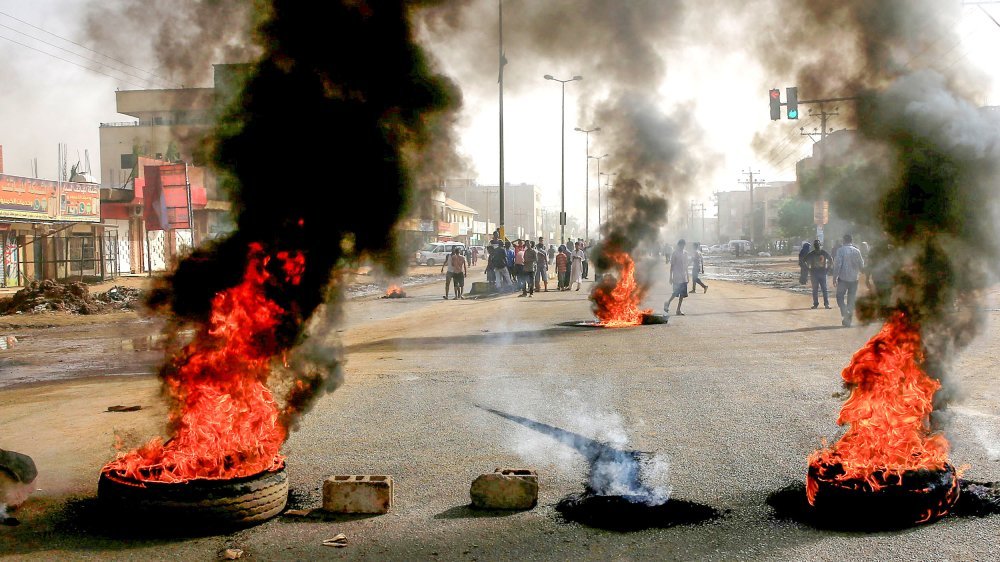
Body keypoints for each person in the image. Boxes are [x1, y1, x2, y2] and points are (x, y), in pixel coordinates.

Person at [833, 234, 865, 327]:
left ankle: (844, 312)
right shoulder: (857, 251)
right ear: (851, 240)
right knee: (851, 298)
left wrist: (835, 277)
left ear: (844, 240)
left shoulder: (840, 250)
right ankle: (848, 319)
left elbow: (838, 264)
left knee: (839, 296)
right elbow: (862, 265)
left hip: (843, 278)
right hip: (854, 279)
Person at [805, 239, 833, 310]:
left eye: (817, 244)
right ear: (815, 246)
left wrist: (827, 269)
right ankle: (817, 304)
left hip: (820, 273)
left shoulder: (822, 253)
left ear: (820, 245)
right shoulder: (814, 253)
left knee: (822, 289)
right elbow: (804, 261)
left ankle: (824, 304)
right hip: (816, 274)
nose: (817, 246)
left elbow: (831, 260)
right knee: (817, 289)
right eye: (816, 245)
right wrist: (808, 269)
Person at [664, 239, 689, 316]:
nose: (682, 246)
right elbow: (672, 266)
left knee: (682, 294)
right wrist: (670, 277)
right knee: (675, 292)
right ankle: (667, 302)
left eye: (683, 245)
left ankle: (678, 310)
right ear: (679, 245)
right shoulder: (675, 253)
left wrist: (687, 276)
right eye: (681, 245)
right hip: (677, 276)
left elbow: (686, 266)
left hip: (683, 276)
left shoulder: (685, 253)